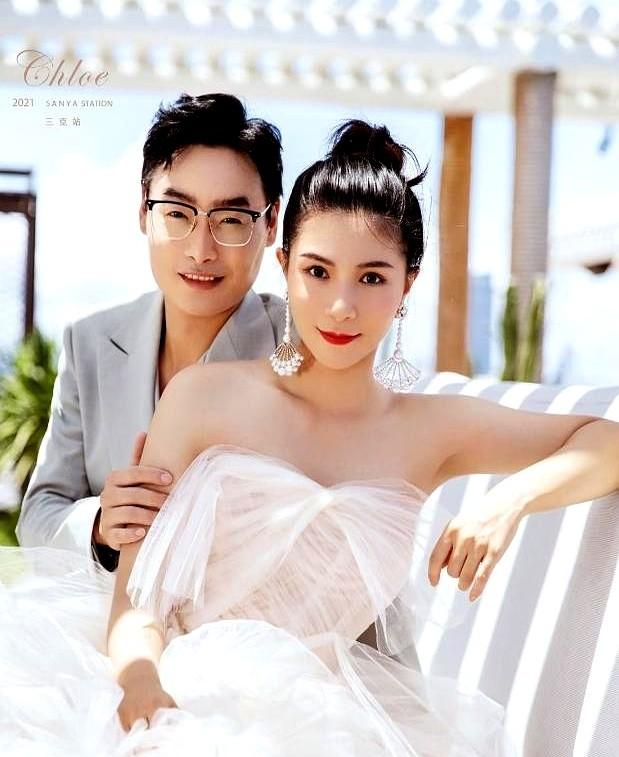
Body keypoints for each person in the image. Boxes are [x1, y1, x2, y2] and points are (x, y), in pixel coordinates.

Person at [2, 120, 619, 756]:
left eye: (372, 278)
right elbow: (136, 602)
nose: (341, 306)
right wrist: (141, 682)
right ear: (284, 264)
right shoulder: (203, 397)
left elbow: (607, 440)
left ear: (408, 283)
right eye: (318, 271)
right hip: (173, 692)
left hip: (327, 723)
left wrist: (508, 503)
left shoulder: (432, 429)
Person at [16, 92, 285, 572]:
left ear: (270, 224)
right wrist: (100, 526)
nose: (201, 250)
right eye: (177, 214)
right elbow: (39, 513)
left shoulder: (300, 344)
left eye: (230, 220)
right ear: (144, 211)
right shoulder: (90, 343)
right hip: (109, 604)